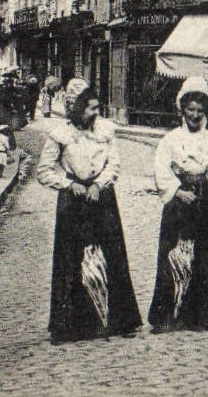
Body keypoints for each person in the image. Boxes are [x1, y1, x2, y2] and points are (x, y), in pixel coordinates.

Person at [36, 78, 141, 343]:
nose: (95, 113)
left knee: (111, 254)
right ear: (76, 108)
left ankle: (117, 319)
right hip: (73, 201)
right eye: (90, 108)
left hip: (102, 199)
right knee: (72, 258)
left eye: (97, 107)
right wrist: (68, 184)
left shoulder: (104, 131)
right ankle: (74, 323)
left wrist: (98, 184)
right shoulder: (60, 134)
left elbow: (114, 163)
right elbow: (43, 170)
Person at [148, 76, 208, 332]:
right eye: (190, 109)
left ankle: (199, 315)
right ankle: (168, 314)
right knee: (174, 255)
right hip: (179, 205)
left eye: (199, 111)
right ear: (182, 109)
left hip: (204, 203)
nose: (194, 115)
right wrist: (178, 191)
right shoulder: (170, 139)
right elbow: (161, 170)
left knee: (204, 257)